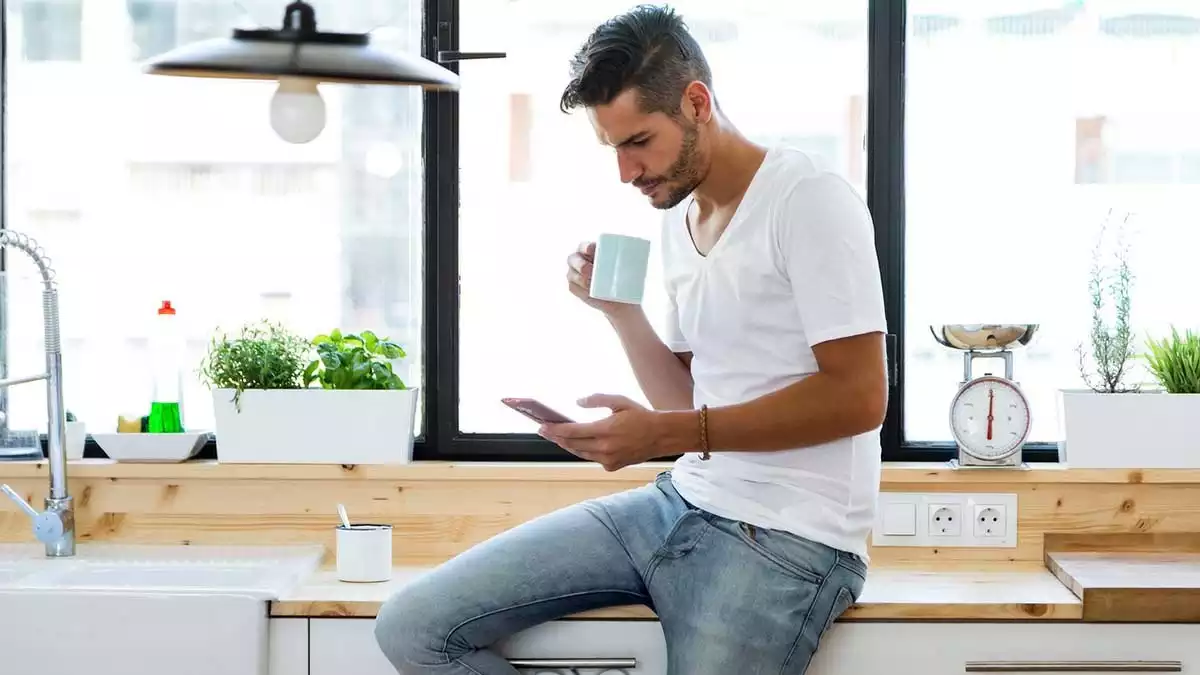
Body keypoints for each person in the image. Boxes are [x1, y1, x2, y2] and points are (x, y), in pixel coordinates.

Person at [373, 4, 889, 674]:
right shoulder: (680, 219)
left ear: (697, 102)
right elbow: (687, 404)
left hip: (790, 537)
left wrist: (668, 433)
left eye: (639, 141)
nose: (627, 172)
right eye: (614, 149)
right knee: (414, 627)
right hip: (679, 500)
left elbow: (859, 396)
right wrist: (621, 314)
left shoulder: (808, 197)